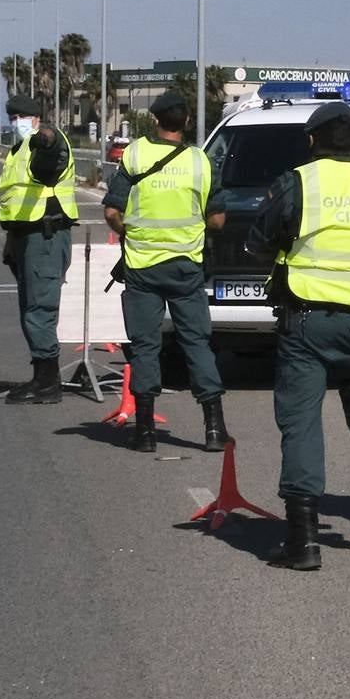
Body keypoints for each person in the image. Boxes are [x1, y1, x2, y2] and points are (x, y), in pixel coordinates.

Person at [246, 101, 350, 570]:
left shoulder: (298, 182)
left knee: (301, 425)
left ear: (311, 141)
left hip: (306, 323)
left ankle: (303, 543)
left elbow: (258, 243)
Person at [102, 90, 230, 453]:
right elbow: (218, 218)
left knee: (145, 346)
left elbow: (112, 211)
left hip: (142, 268)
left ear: (155, 121)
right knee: (197, 343)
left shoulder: (136, 154)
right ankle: (214, 428)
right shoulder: (199, 162)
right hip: (186, 269)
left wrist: (134, 232)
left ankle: (144, 432)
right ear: (187, 122)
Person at [0, 94, 79, 404]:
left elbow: (52, 151)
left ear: (35, 119)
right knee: (30, 310)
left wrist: (47, 135)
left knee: (39, 311)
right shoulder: (18, 150)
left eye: (20, 117)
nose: (15, 122)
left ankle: (48, 383)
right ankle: (40, 375)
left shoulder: (43, 143)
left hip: (45, 236)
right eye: (12, 117)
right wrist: (11, 242)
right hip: (25, 236)